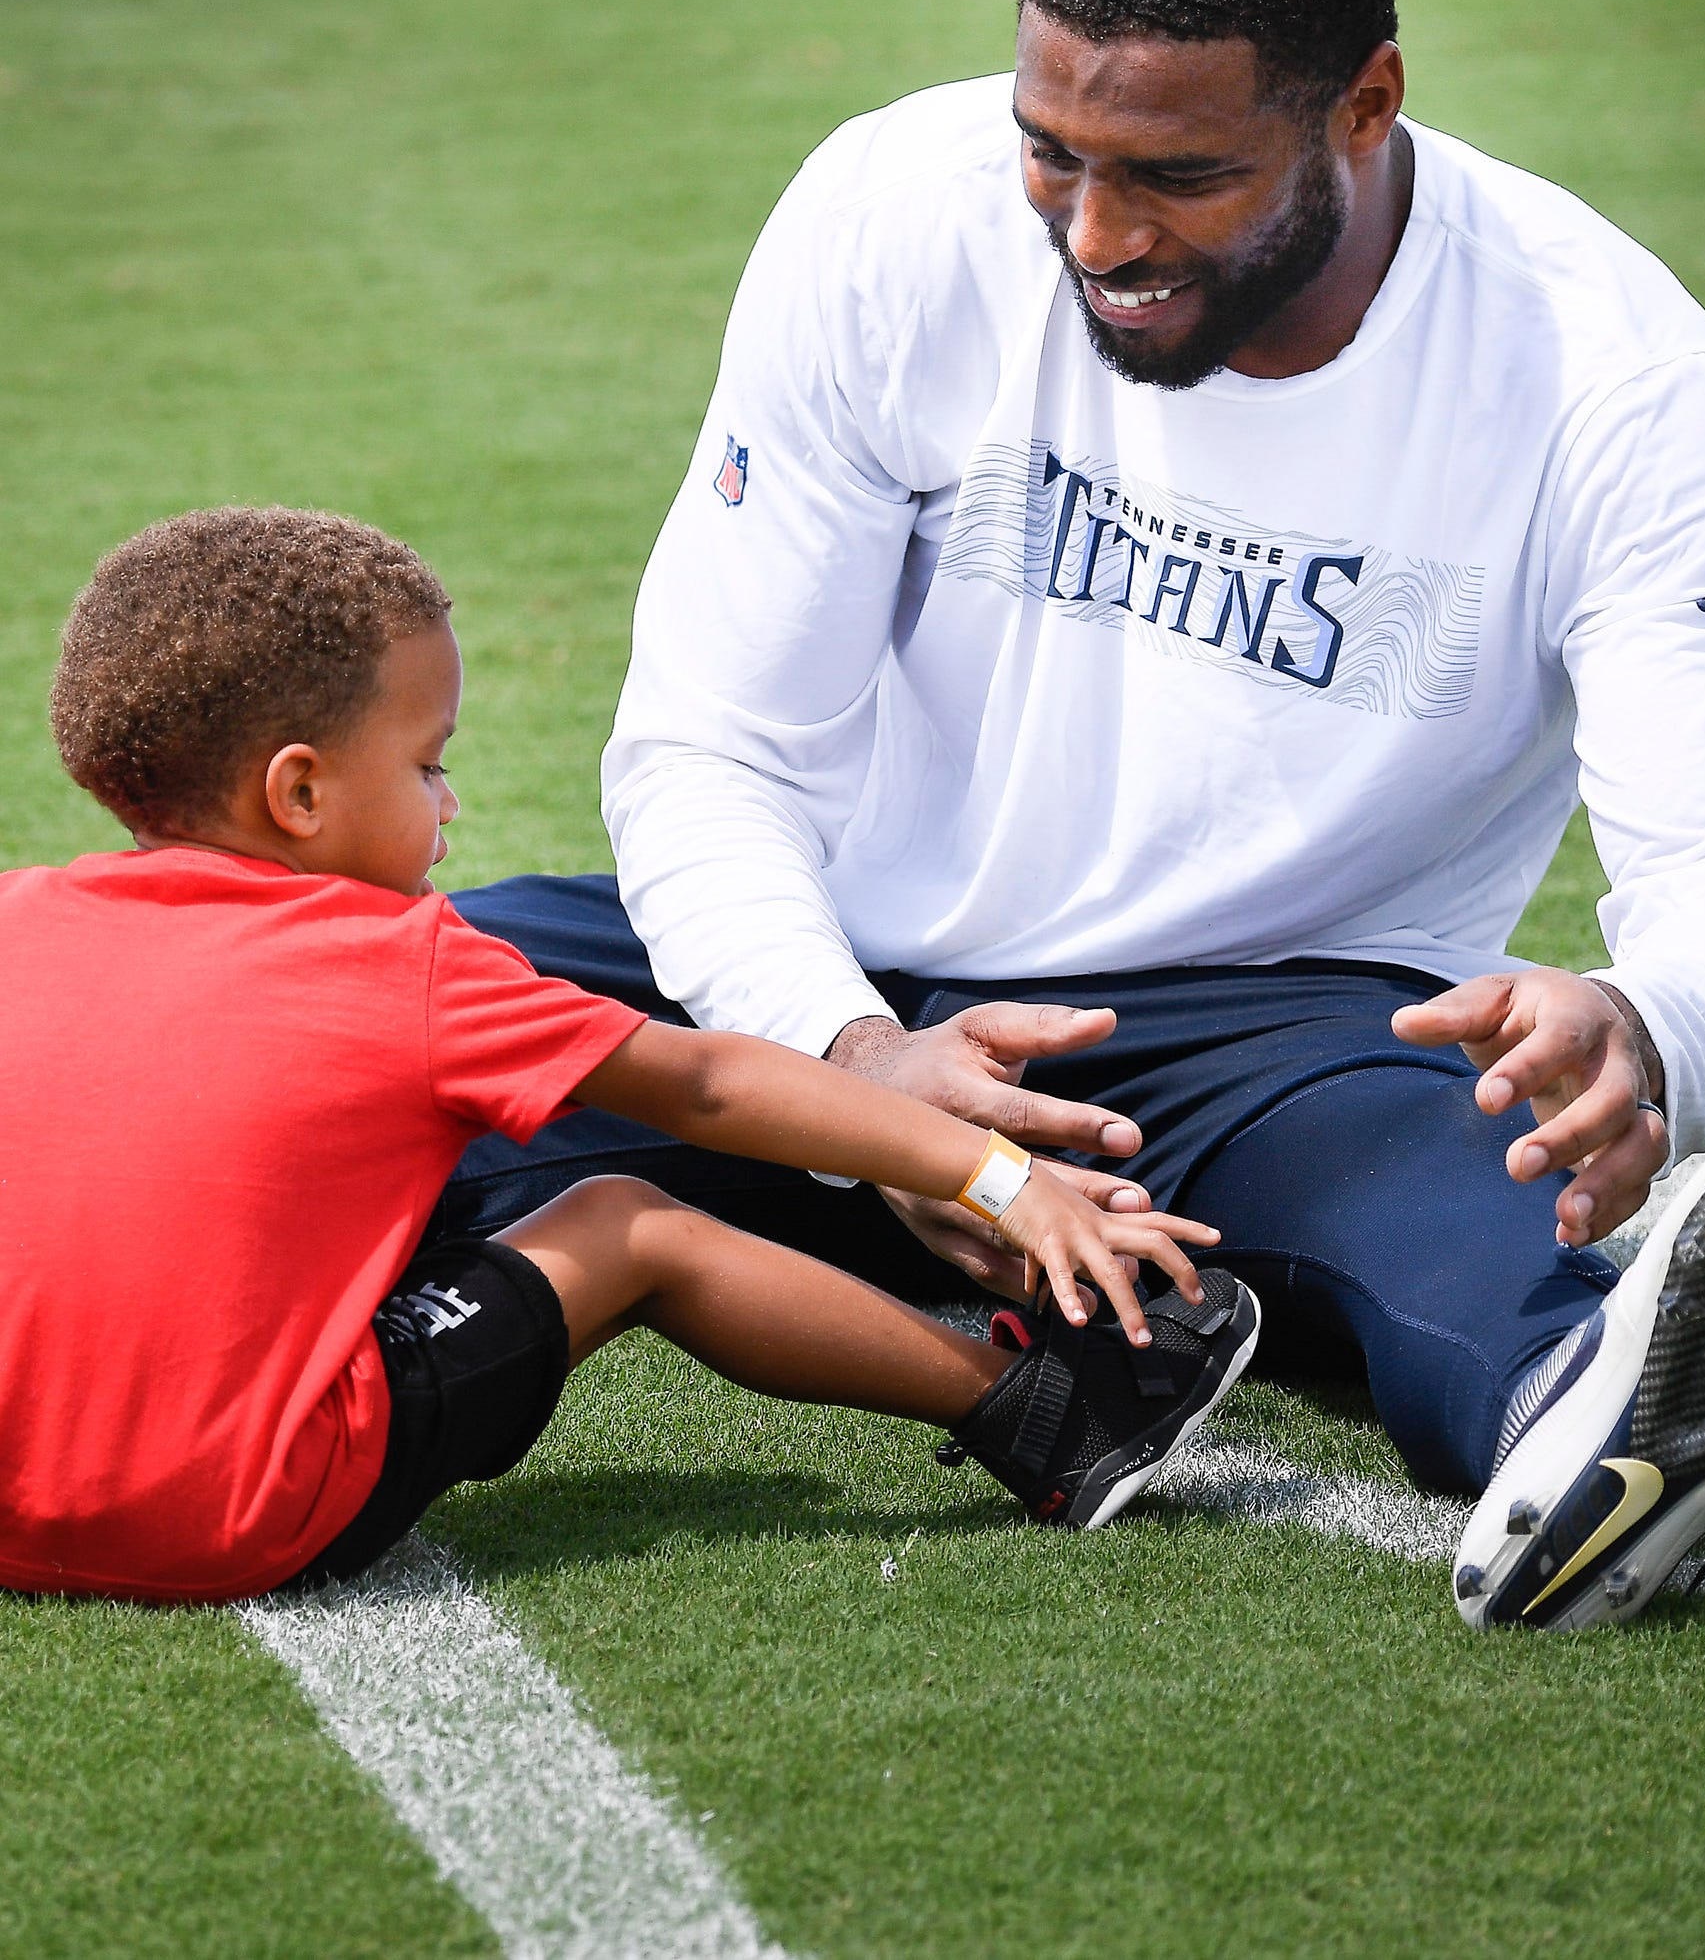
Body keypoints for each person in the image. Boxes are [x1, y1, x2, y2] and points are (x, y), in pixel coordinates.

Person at [444, 0, 1705, 1620]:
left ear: (1365, 105)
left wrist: (1652, 1020)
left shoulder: (1625, 390)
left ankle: (1612, 1420)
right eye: (1050, 152)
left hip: (1265, 1047)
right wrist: (856, 1070)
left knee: (1478, 1217)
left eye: (1178, 174)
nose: (1097, 230)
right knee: (352, 1003)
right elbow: (713, 747)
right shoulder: (894, 213)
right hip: (819, 1002)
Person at [0, 507, 1258, 1606]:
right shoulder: (405, 961)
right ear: (300, 793)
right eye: (428, 762)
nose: (451, 804)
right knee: (630, 1223)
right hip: (238, 1512)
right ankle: (1051, 1417)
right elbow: (710, 1082)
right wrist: (999, 1175)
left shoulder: (17, 917)